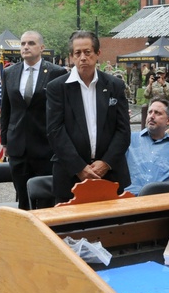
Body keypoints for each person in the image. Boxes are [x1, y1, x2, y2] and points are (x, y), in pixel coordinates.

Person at [46, 30, 131, 203]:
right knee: (70, 228)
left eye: (87, 52)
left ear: (98, 53)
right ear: (71, 57)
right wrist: (79, 167)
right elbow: (55, 131)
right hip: (70, 174)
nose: (83, 57)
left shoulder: (115, 85)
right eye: (77, 53)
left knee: (110, 228)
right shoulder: (57, 88)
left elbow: (123, 130)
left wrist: (106, 163)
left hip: (110, 173)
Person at [0, 30, 66, 209]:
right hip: (18, 148)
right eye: (23, 44)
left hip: (45, 146)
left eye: (31, 43)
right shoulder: (9, 73)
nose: (26, 47)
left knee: (46, 200)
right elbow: (6, 109)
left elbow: (62, 110)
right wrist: (4, 140)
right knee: (23, 199)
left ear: (42, 48)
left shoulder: (55, 72)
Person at [124, 98, 169, 196]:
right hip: (128, 200)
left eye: (157, 113)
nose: (151, 116)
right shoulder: (129, 139)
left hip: (160, 203)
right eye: (150, 112)